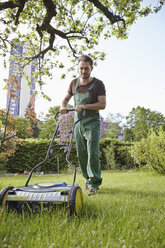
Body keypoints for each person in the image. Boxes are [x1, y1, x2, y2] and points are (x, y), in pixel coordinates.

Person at [60, 55, 106, 195]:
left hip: (92, 123)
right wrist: (63, 107)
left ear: (91, 68)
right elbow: (65, 100)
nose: (83, 71)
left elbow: (102, 104)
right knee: (82, 154)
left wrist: (85, 106)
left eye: (86, 68)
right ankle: (87, 179)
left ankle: (94, 184)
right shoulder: (73, 83)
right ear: (78, 68)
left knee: (92, 153)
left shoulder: (98, 84)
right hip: (78, 123)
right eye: (81, 68)